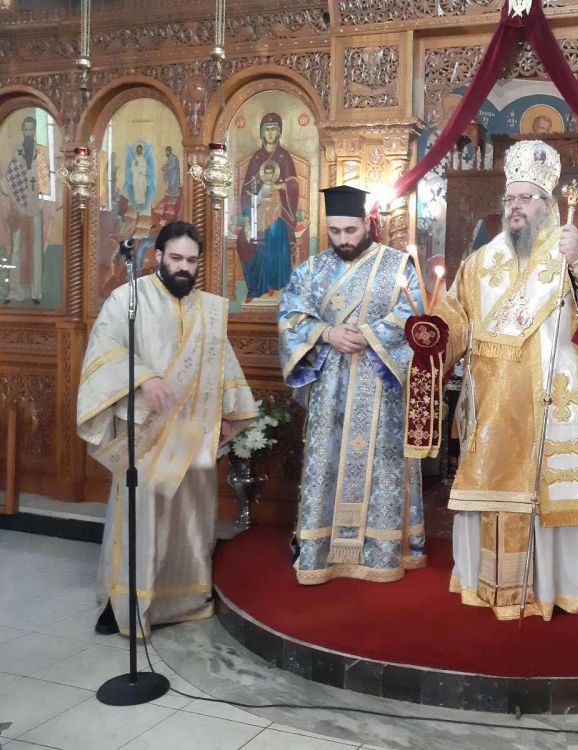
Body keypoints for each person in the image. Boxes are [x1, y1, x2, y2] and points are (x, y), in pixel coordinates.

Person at [407, 140, 578, 620]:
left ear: (547, 204)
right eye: (510, 198)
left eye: (525, 198)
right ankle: (487, 584)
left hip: (550, 407)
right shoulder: (481, 261)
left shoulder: (574, 250)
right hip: (491, 408)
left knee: (544, 493)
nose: (515, 207)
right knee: (488, 486)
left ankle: (550, 588)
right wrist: (434, 336)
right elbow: (457, 319)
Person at [77, 221, 258, 637]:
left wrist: (226, 412)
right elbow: (104, 351)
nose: (183, 267)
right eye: (175, 258)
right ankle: (122, 602)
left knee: (188, 520)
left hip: (193, 431)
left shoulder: (207, 309)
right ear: (158, 257)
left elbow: (222, 362)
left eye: (191, 261)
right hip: (146, 428)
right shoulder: (129, 298)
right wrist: (144, 378)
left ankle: (182, 599)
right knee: (140, 518)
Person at [278, 185, 425, 584]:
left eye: (350, 230)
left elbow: (414, 315)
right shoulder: (310, 271)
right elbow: (290, 317)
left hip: (381, 387)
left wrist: (371, 334)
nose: (343, 239)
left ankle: (381, 551)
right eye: (335, 231)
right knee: (326, 459)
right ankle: (320, 550)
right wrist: (327, 333)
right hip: (330, 388)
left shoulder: (397, 265)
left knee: (383, 464)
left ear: (367, 224)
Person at [236, 112, 299, 303]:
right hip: (257, 212)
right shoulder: (257, 158)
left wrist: (279, 187)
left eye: (273, 129)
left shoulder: (283, 156)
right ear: (262, 133)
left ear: (279, 132)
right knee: (243, 241)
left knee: (273, 232)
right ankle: (255, 287)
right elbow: (247, 190)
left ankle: (275, 284)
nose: (270, 133)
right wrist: (247, 220)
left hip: (280, 211)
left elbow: (293, 184)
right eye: (267, 129)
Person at [0, 115, 47, 304]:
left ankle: (36, 293)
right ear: (22, 131)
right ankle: (15, 292)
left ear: (34, 131)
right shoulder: (17, 156)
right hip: (19, 209)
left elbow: (46, 185)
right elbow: (7, 186)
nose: (28, 133)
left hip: (36, 210)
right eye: (25, 130)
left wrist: (40, 203)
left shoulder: (40, 157)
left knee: (35, 251)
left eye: (31, 129)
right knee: (17, 249)